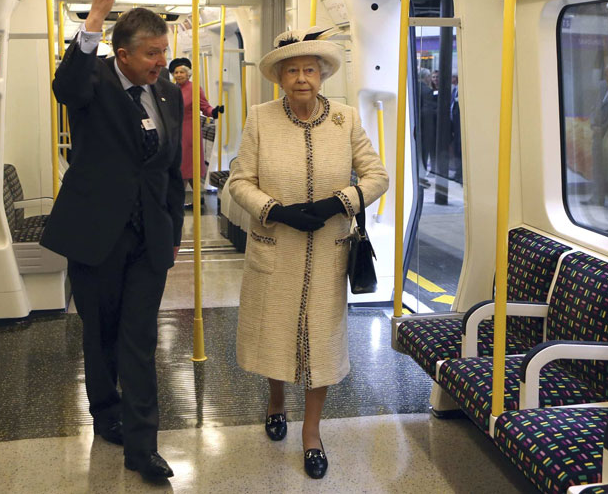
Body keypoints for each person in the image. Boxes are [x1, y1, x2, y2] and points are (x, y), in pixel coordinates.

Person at [40, 0, 184, 482]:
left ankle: (143, 448)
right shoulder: (94, 82)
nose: (161, 61)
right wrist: (96, 16)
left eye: (163, 51)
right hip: (96, 234)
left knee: (139, 340)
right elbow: (66, 85)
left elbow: (170, 169)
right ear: (122, 53)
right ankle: (106, 413)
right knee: (100, 334)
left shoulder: (167, 93)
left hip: (149, 239)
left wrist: (173, 231)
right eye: (151, 53)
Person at [227, 26, 389, 479]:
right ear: (280, 77)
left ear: (322, 76)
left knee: (321, 343)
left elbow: (377, 176)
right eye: (294, 70)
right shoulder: (260, 118)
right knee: (275, 335)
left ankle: (312, 433)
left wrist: (340, 201)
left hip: (328, 252)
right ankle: (276, 400)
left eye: (310, 70)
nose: (303, 78)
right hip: (276, 247)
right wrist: (275, 210)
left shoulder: (346, 118)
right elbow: (239, 182)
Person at [167, 57, 223, 207]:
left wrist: (214, 112)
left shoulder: (194, 88)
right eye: (176, 72)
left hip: (189, 131)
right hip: (175, 130)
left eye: (181, 72)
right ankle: (198, 198)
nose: (178, 75)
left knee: (185, 165)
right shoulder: (172, 88)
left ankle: (177, 200)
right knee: (186, 166)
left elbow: (205, 107)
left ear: (188, 74)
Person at [587, 62, 608, 210]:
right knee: (597, 166)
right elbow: (594, 107)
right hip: (597, 133)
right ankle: (597, 196)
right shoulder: (602, 87)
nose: (607, 77)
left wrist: (603, 129)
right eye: (606, 74)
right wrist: (593, 124)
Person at [418, 68, 437, 174]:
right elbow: (427, 110)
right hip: (425, 127)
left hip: (416, 126)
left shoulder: (414, 87)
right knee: (424, 153)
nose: (431, 79)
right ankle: (422, 176)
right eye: (430, 76)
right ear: (426, 77)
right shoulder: (427, 90)